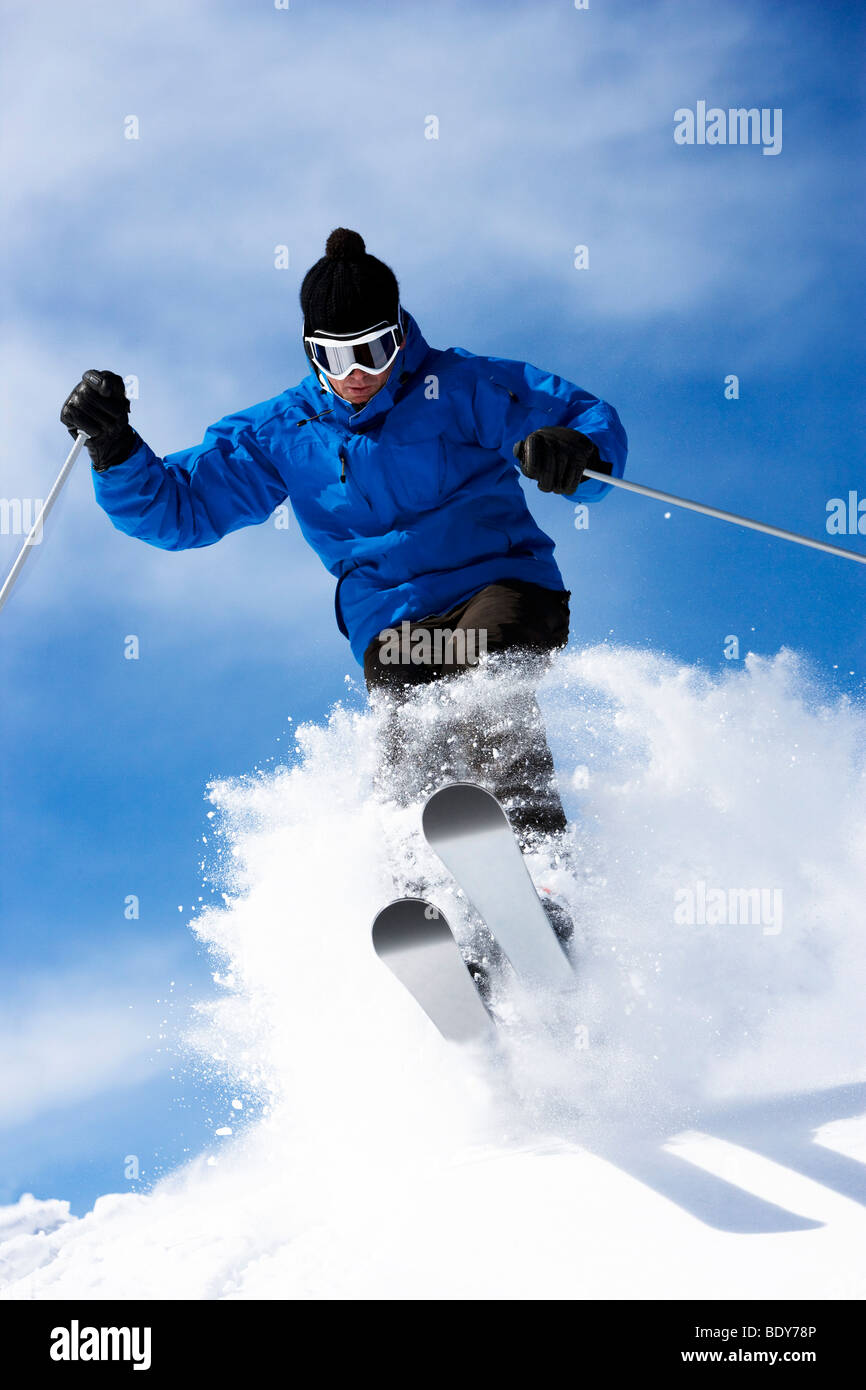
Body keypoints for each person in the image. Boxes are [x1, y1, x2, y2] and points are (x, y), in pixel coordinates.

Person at [61, 228, 627, 848]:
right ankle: (423, 888)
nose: (357, 374)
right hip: (392, 618)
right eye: (334, 357)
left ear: (401, 337)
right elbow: (182, 510)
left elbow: (579, 421)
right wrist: (114, 448)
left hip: (500, 584)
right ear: (310, 353)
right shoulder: (283, 430)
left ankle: (537, 862)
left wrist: (578, 454)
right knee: (411, 735)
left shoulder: (462, 386)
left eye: (374, 350)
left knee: (486, 676)